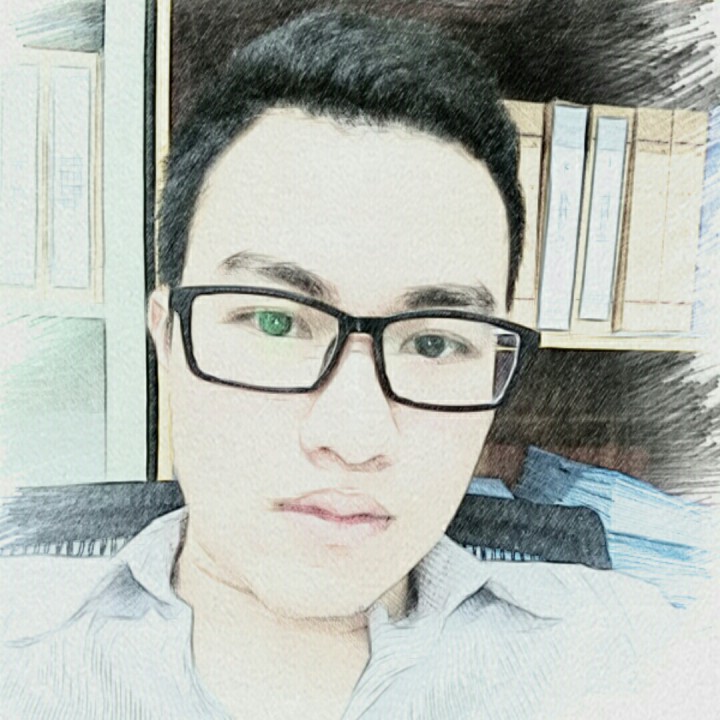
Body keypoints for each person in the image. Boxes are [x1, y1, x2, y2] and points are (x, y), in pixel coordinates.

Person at [0, 10, 679, 720]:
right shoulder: (23, 659)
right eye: (276, 321)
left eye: (434, 343)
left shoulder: (629, 653)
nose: (355, 437)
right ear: (168, 340)